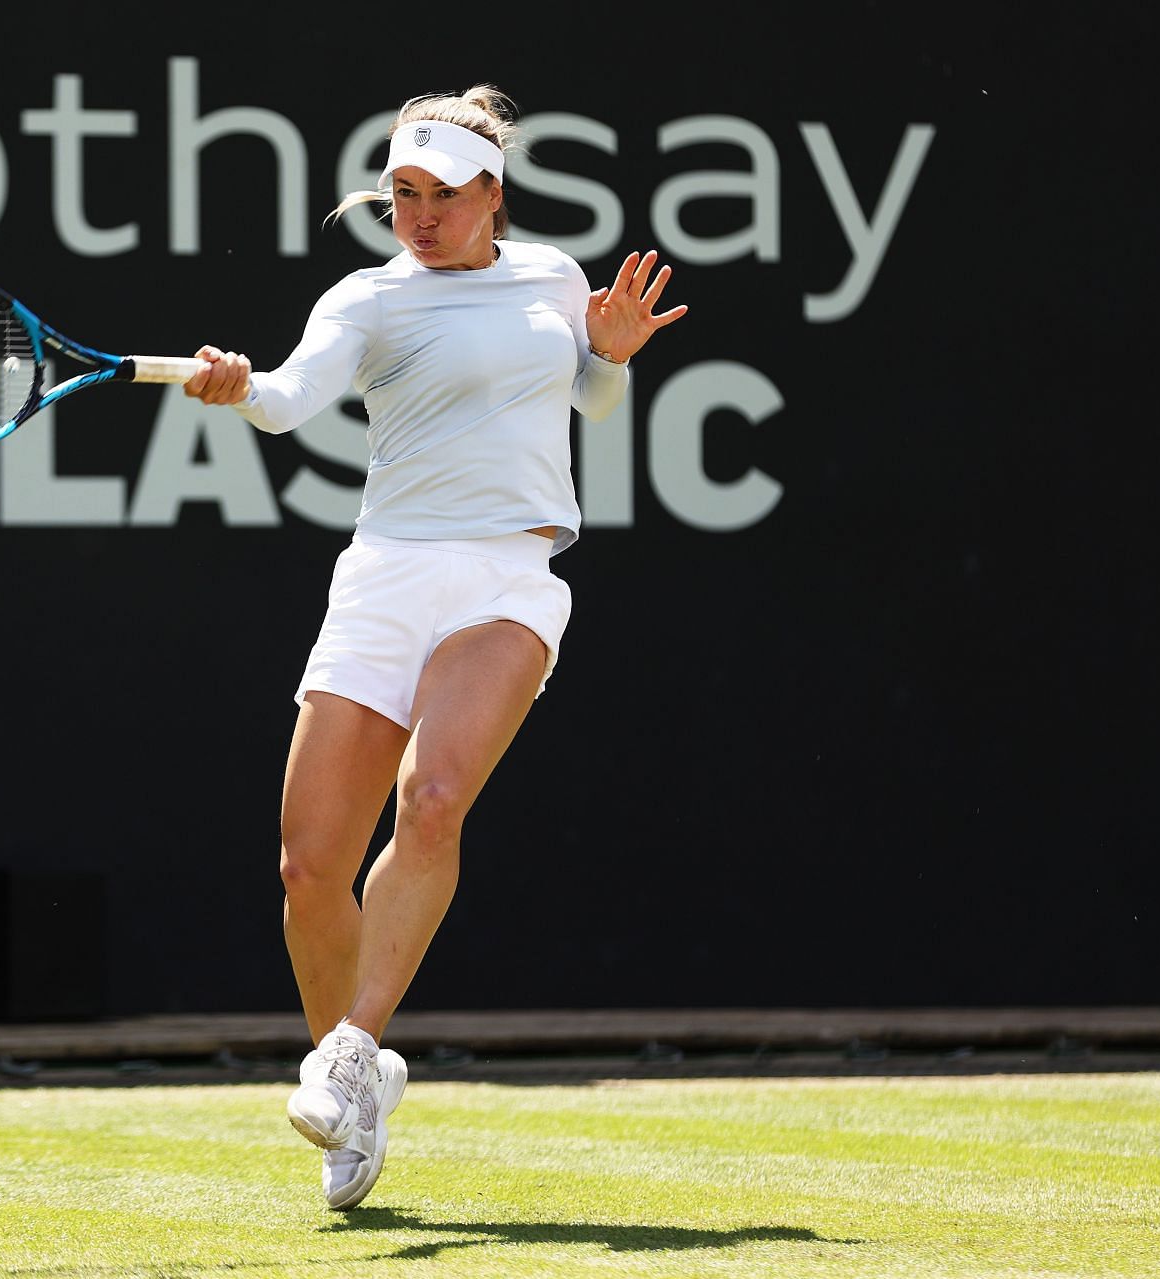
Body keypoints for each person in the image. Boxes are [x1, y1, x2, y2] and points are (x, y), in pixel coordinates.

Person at [181, 85, 687, 1211]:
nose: (419, 216)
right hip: (386, 578)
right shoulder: (367, 298)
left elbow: (593, 406)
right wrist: (235, 385)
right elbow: (286, 397)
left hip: (507, 575)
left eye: (443, 197)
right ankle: (351, 1092)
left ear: (491, 195)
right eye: (403, 195)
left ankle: (357, 1045)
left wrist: (609, 355)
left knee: (435, 798)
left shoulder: (554, 277)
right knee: (310, 865)